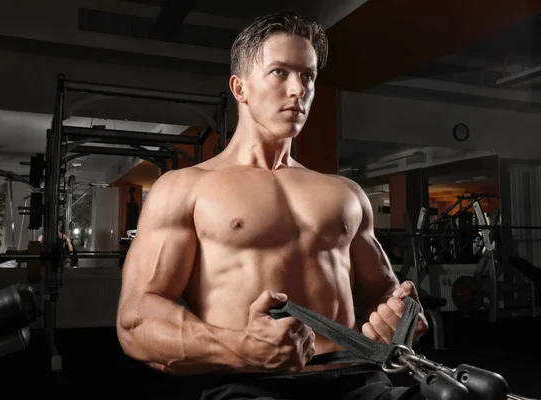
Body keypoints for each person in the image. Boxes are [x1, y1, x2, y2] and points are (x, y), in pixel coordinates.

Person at [116, 12, 429, 400]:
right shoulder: (184, 188)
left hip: (358, 378)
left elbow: (385, 290)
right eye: (280, 72)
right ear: (240, 87)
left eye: (308, 75)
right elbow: (136, 320)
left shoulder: (345, 193)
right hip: (249, 384)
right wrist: (240, 347)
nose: (299, 89)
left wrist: (399, 318)